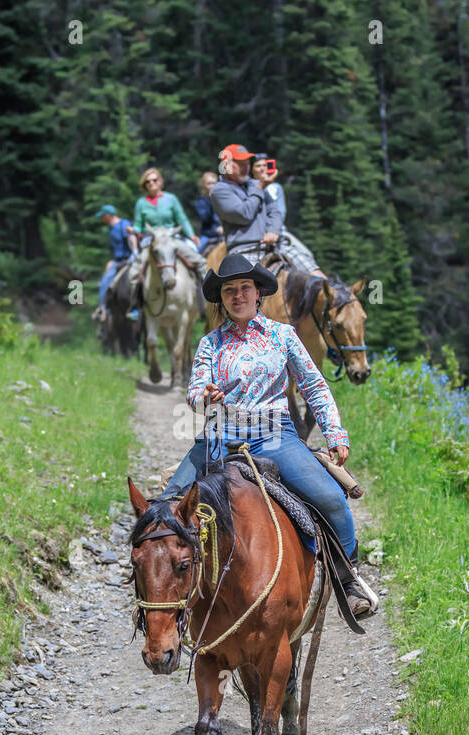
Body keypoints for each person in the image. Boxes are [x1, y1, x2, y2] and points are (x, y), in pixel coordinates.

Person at [157, 253, 377, 618]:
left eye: (245, 288)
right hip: (218, 436)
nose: (238, 295)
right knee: (165, 511)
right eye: (230, 290)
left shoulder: (283, 335)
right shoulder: (210, 344)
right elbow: (193, 392)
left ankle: (348, 579)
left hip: (274, 435)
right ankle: (159, 600)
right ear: (222, 298)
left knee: (332, 500)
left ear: (258, 293)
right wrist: (204, 395)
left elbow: (315, 386)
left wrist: (334, 432)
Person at [211, 143, 324, 278]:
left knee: (318, 276)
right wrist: (260, 188)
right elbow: (243, 215)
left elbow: (274, 211)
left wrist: (273, 231)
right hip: (245, 249)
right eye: (240, 164)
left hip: (277, 245)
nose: (246, 168)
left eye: (247, 164)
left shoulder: (255, 184)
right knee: (249, 292)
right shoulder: (220, 190)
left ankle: (338, 297)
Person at [126, 167, 209, 321]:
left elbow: (182, 218)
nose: (152, 183)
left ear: (160, 182)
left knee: (200, 262)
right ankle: (136, 307)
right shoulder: (141, 203)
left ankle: (207, 300)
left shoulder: (171, 199)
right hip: (151, 241)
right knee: (134, 272)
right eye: (148, 181)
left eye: (154, 180)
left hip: (172, 238)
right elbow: (138, 225)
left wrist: (191, 235)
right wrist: (133, 229)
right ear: (144, 185)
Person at [93, 204, 138, 324]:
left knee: (135, 280)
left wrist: (134, 253)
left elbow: (132, 238)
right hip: (118, 260)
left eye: (102, 216)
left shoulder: (124, 224)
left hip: (128, 259)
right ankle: (102, 308)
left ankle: (136, 308)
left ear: (107, 216)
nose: (101, 219)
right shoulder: (111, 228)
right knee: (105, 280)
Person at [193, 171, 224, 254]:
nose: (212, 186)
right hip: (208, 235)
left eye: (214, 183)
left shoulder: (223, 199)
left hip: (224, 233)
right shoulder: (201, 202)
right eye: (209, 184)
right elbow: (205, 218)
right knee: (196, 254)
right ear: (203, 185)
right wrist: (211, 200)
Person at [251, 153, 286, 223]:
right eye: (258, 166)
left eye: (264, 165)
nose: (262, 168)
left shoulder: (276, 188)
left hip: (274, 228)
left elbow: (281, 211)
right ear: (251, 169)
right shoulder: (247, 186)